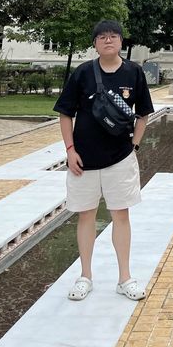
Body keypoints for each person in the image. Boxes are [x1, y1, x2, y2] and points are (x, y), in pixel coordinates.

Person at [53, 19, 154, 302]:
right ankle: (85, 275)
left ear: (121, 42)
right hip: (83, 160)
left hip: (119, 159)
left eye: (113, 36)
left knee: (121, 215)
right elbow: (64, 113)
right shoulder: (83, 73)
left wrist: (134, 144)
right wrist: (70, 150)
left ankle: (125, 278)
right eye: (102, 37)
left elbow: (143, 113)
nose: (108, 40)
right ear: (95, 43)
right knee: (86, 216)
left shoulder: (134, 73)